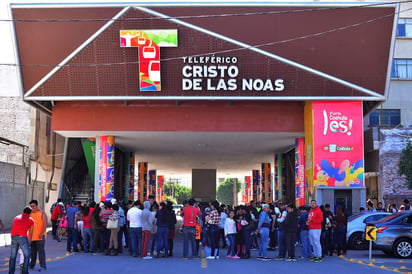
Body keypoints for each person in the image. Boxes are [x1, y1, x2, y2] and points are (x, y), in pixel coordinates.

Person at [9, 206, 34, 274]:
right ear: (30, 213)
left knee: (13, 256)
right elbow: (30, 233)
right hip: (22, 237)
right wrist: (29, 242)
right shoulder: (31, 220)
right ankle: (24, 272)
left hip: (13, 236)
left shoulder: (16, 217)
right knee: (27, 255)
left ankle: (11, 272)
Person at [28, 200, 47, 271]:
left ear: (37, 205)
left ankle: (43, 266)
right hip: (32, 237)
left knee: (41, 252)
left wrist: (42, 233)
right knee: (32, 253)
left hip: (40, 237)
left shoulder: (42, 213)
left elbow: (45, 224)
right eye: (31, 206)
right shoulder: (29, 214)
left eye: (33, 206)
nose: (32, 208)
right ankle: (31, 265)